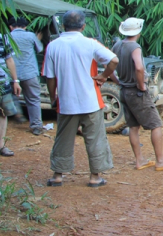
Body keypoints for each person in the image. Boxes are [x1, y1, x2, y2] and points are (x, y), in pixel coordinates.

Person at [44, 10, 117, 187]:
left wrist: (53, 97)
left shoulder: (53, 46)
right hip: (91, 101)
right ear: (83, 26)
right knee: (95, 138)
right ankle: (95, 176)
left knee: (63, 138)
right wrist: (104, 75)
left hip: (66, 101)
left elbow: (50, 78)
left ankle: (58, 175)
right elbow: (114, 60)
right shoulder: (90, 44)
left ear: (63, 25)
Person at [111, 18, 163, 172]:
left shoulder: (117, 45)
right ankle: (160, 161)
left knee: (133, 127)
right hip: (136, 92)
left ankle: (139, 160)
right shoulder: (135, 47)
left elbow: (108, 63)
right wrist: (141, 85)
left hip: (124, 91)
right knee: (156, 124)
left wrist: (116, 80)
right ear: (139, 31)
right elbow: (139, 67)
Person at [8, 17, 44, 134]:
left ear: (11, 26)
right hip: (30, 73)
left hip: (12, 74)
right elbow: (40, 49)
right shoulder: (30, 35)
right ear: (25, 27)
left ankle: (17, 112)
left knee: (12, 94)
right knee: (33, 99)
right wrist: (38, 39)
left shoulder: (7, 36)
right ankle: (36, 126)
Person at [0, 31, 22, 157]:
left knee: (2, 112)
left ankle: (1, 145)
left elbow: (9, 59)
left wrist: (15, 81)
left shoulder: (2, 36)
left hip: (0, 81)